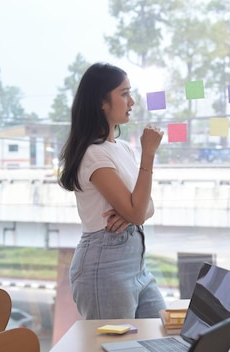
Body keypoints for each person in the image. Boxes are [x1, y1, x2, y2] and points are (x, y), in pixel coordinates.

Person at [58, 63, 166, 319]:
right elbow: (139, 211)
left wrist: (132, 211)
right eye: (124, 93)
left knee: (161, 337)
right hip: (105, 266)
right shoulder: (93, 155)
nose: (132, 101)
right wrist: (149, 154)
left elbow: (146, 206)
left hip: (136, 266)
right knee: (114, 347)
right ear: (101, 103)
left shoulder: (122, 150)